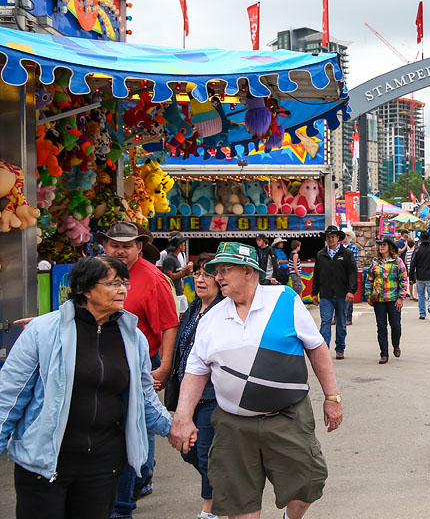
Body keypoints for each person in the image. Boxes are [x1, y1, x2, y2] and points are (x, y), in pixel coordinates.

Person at [169, 242, 342, 519]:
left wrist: (332, 397)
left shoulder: (284, 299)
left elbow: (317, 347)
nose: (218, 277)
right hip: (233, 424)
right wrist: (183, 416)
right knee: (238, 500)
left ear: (249, 272)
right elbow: (196, 369)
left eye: (225, 270)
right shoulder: (212, 318)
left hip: (288, 416)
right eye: (217, 271)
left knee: (309, 481)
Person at [0, 256, 171, 519]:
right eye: (113, 283)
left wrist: (174, 428)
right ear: (85, 289)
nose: (123, 289)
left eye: (124, 282)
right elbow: (9, 396)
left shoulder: (132, 336)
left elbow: (144, 395)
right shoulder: (43, 332)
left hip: (103, 464)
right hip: (46, 461)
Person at [98, 221, 179, 517]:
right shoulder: (96, 271)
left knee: (139, 419)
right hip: (100, 360)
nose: (119, 250)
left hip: (143, 362)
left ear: (139, 247)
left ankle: (141, 475)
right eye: (114, 244)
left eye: (126, 245)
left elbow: (170, 325)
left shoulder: (153, 279)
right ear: (104, 246)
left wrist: (166, 367)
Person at [169, 253, 224, 519]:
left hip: (212, 394)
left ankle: (209, 511)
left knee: (204, 454)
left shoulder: (224, 311)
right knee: (187, 450)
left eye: (207, 274)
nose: (200, 279)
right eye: (197, 274)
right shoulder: (193, 307)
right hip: (187, 392)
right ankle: (225, 486)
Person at [311, 225, 358, 359]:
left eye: (333, 237)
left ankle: (340, 348)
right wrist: (314, 293)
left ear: (338, 238)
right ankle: (324, 349)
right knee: (325, 321)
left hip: (342, 295)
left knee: (341, 322)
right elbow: (317, 275)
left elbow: (352, 274)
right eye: (328, 237)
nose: (330, 239)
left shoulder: (346, 254)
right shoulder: (321, 254)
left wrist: (351, 291)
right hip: (325, 295)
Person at [364, 236, 408, 364]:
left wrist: (401, 297)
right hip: (379, 300)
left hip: (394, 299)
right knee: (381, 326)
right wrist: (368, 295)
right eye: (380, 245)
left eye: (384, 245)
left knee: (395, 325)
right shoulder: (375, 262)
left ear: (389, 247)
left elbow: (404, 279)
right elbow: (369, 280)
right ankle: (384, 353)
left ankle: (396, 345)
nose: (381, 247)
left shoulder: (397, 262)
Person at [410, 232, 430, 322]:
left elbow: (412, 265)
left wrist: (411, 277)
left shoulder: (417, 250)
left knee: (421, 295)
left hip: (419, 276)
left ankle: (422, 314)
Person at [161, 234, 193, 314]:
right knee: (175, 316)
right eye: (183, 244)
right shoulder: (169, 259)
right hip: (173, 295)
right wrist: (183, 271)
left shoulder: (176, 258)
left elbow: (180, 275)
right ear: (179, 245)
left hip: (180, 293)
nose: (184, 246)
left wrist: (187, 271)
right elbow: (169, 277)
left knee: (184, 315)